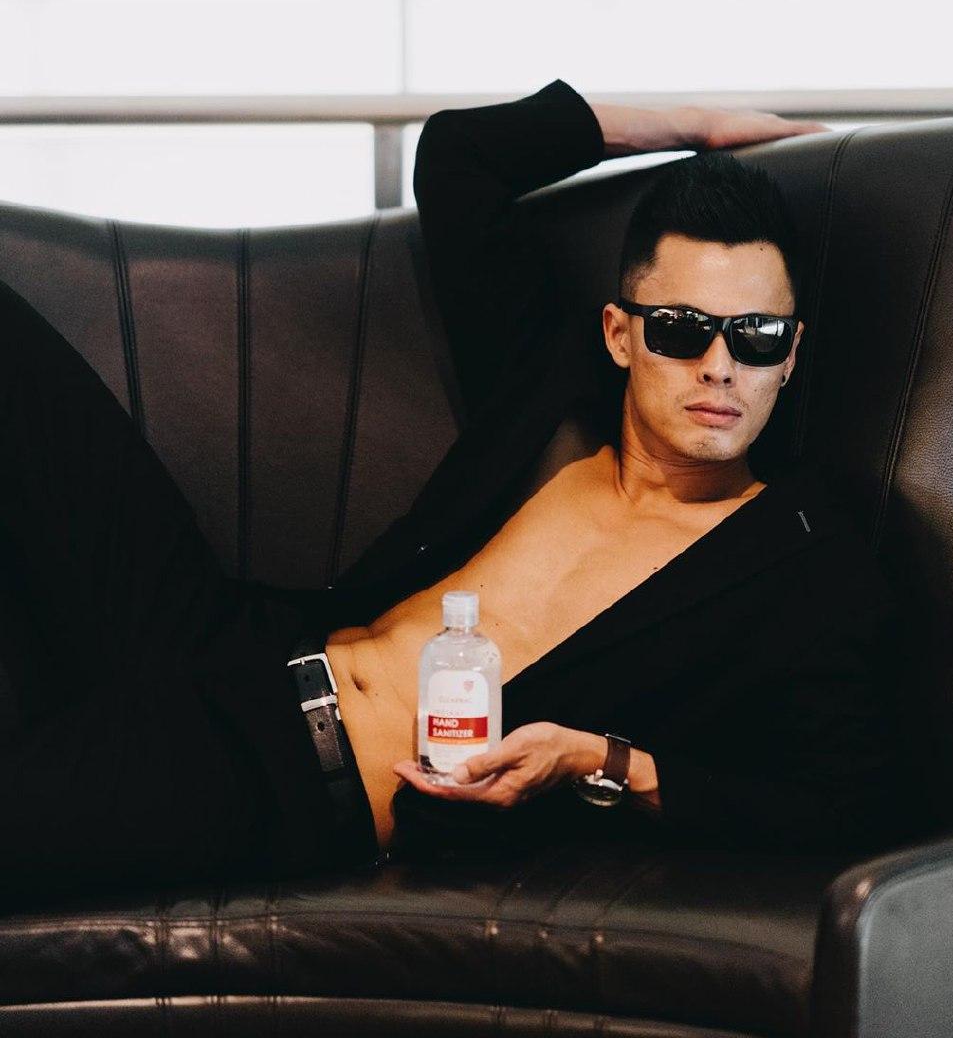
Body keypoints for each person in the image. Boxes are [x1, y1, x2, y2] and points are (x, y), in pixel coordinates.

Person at [0, 79, 901, 906]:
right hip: (229, 639)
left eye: (755, 336)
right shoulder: (550, 404)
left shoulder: (798, 562)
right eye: (680, 329)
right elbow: (460, 158)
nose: (719, 367)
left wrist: (603, 762)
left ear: (791, 353)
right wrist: (694, 123)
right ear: (620, 334)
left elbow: (846, 805)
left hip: (281, 782)